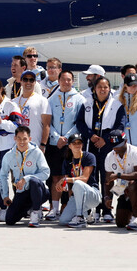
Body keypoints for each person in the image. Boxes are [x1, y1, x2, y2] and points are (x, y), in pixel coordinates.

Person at [74, 76, 123, 222]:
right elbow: (80, 122)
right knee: (91, 176)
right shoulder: (87, 103)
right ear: (94, 89)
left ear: (109, 89)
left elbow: (120, 126)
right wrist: (91, 136)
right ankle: (90, 209)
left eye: (105, 87)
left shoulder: (116, 104)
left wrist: (105, 139)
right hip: (91, 144)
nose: (102, 89)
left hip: (108, 145)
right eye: (99, 87)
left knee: (107, 177)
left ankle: (107, 210)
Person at [44, 69, 85, 218]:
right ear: (59, 81)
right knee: (55, 176)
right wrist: (56, 137)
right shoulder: (51, 99)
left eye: (69, 80)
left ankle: (67, 207)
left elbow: (79, 121)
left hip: (71, 144)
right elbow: (49, 122)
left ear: (72, 81)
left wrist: (66, 138)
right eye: (63, 79)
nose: (66, 82)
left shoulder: (79, 99)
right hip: (55, 144)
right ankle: (53, 208)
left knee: (69, 177)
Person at [0, 125, 50, 227]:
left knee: (34, 181)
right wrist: (5, 196)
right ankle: (29, 208)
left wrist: (26, 179)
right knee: (10, 219)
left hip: (40, 191)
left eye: (25, 139)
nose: (22, 142)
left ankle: (36, 212)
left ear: (30, 139)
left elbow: (46, 173)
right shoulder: (9, 155)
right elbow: (3, 176)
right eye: (19, 138)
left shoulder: (37, 152)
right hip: (23, 192)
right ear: (15, 138)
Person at [103, 130, 137, 230]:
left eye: (119, 145)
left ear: (126, 141)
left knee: (132, 184)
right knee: (121, 222)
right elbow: (108, 180)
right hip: (123, 191)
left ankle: (136, 218)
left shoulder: (136, 152)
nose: (116, 148)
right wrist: (107, 196)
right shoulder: (109, 156)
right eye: (114, 146)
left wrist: (118, 175)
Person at [57, 133, 101, 228]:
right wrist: (63, 186)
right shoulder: (67, 161)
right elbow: (68, 186)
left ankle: (80, 217)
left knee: (78, 183)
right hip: (77, 196)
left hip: (92, 194)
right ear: (69, 146)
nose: (77, 145)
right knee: (63, 221)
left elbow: (84, 178)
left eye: (79, 143)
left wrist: (66, 179)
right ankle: (86, 214)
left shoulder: (89, 156)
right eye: (74, 143)